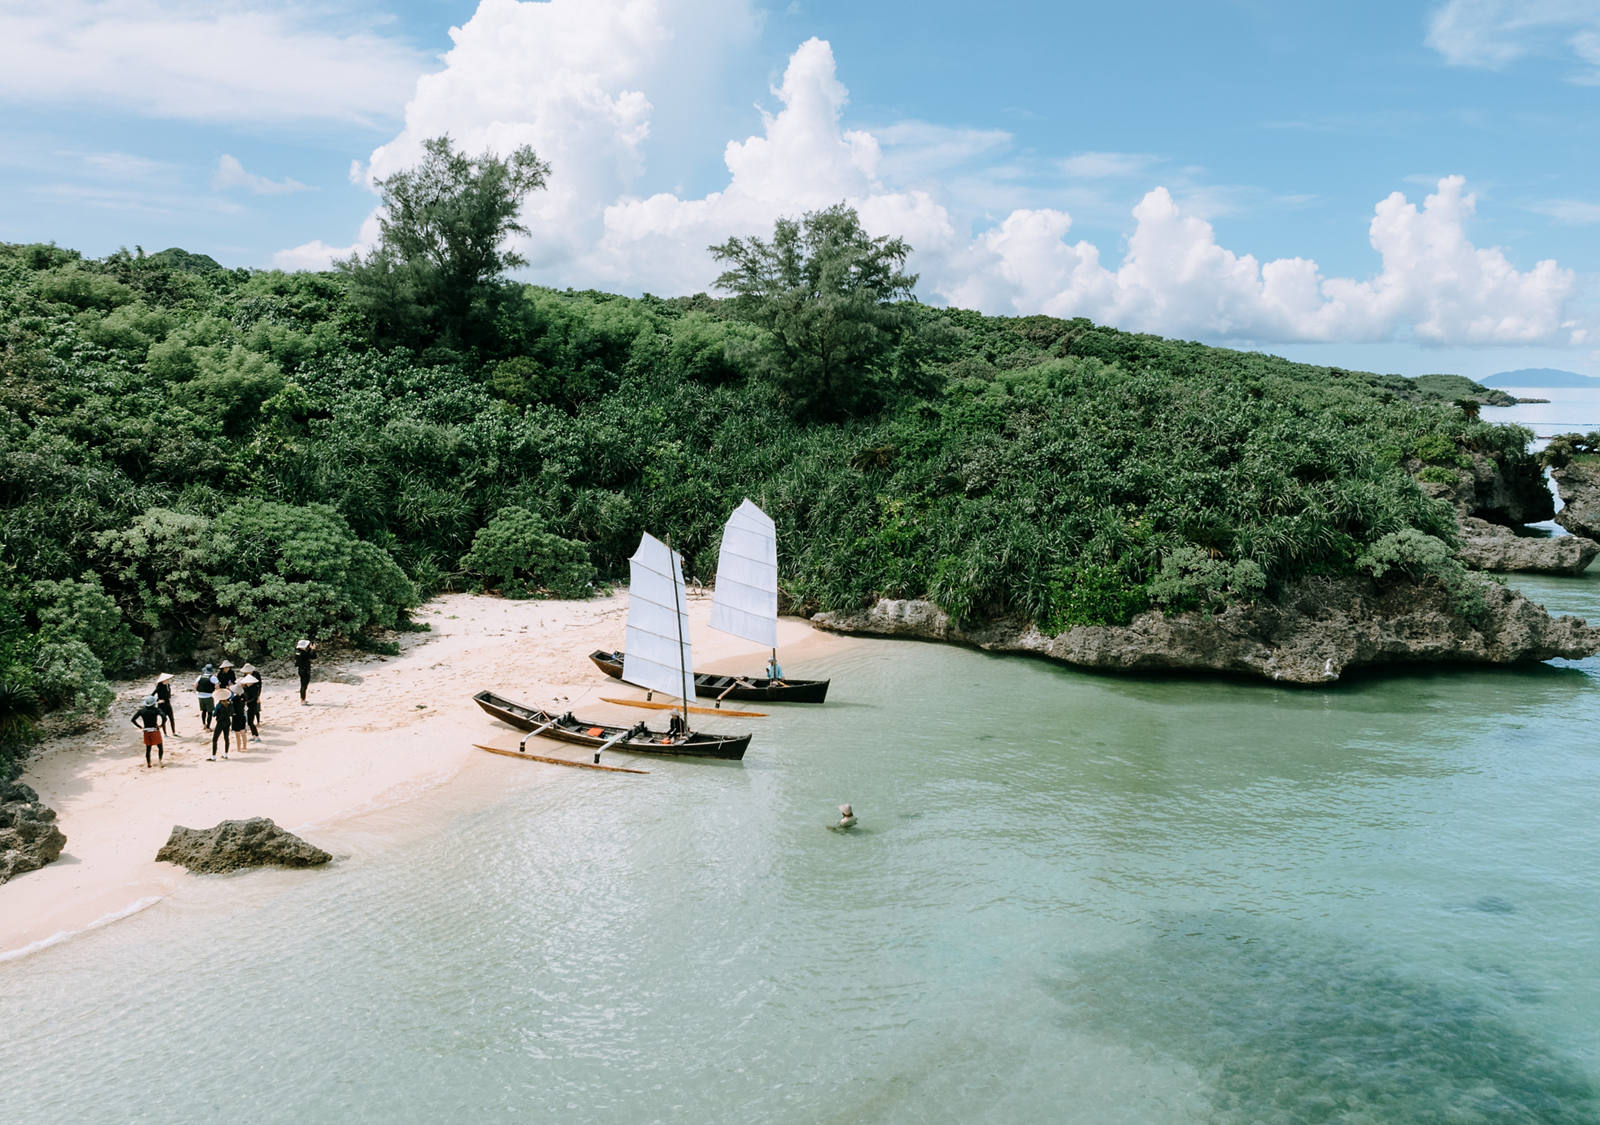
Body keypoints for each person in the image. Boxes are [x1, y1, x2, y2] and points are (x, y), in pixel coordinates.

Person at [130, 694, 164, 768]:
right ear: (154, 703)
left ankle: (149, 763)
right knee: (160, 747)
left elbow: (133, 720)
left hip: (146, 731)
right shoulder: (156, 710)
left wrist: (140, 727)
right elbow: (164, 717)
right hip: (155, 730)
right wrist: (161, 724)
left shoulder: (141, 711)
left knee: (148, 749)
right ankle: (160, 761)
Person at [210, 688, 233, 759]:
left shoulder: (219, 705)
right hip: (227, 721)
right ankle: (226, 754)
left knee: (215, 739)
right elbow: (232, 712)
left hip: (220, 722)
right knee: (226, 738)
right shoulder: (230, 704)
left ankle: (213, 756)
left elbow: (214, 714)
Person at [230, 682, 250, 754]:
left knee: (237, 734)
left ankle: (238, 748)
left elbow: (232, 710)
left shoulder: (234, 699)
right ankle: (244, 747)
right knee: (243, 733)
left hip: (236, 717)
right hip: (242, 716)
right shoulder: (244, 697)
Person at [239, 670, 261, 735]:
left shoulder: (254, 688)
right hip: (249, 705)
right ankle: (254, 735)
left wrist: (246, 702)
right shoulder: (248, 687)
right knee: (249, 722)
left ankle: (256, 736)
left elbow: (254, 698)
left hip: (252, 706)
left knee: (250, 722)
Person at [195, 664, 216, 730]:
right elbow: (217, 686)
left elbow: (195, 685)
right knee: (210, 712)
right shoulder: (213, 677)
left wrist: (198, 692)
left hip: (200, 696)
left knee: (203, 711)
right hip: (209, 696)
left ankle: (204, 724)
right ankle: (208, 727)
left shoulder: (200, 676)